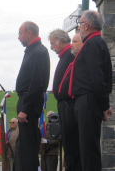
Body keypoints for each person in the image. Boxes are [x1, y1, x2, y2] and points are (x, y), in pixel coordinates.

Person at [61, 10, 112, 171]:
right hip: (86, 101)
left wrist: (104, 105)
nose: (79, 28)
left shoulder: (92, 44)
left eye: (80, 24)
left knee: (89, 151)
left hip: (88, 101)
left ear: (87, 25)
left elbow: (98, 78)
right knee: (86, 149)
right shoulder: (95, 42)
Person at [15, 21, 50, 171]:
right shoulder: (32, 50)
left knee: (28, 146)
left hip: (29, 102)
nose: (18, 37)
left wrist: (25, 108)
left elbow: (36, 83)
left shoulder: (37, 52)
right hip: (26, 100)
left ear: (29, 33)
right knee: (25, 145)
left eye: (20, 33)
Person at [49, 29, 74, 170]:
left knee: (70, 146)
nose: (51, 47)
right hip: (63, 104)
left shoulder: (70, 55)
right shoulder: (65, 56)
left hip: (67, 104)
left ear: (61, 40)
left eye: (53, 43)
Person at [58, 33, 83, 171]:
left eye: (74, 41)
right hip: (67, 106)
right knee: (69, 146)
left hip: (75, 106)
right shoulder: (73, 59)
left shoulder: (80, 60)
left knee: (74, 147)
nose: (71, 44)